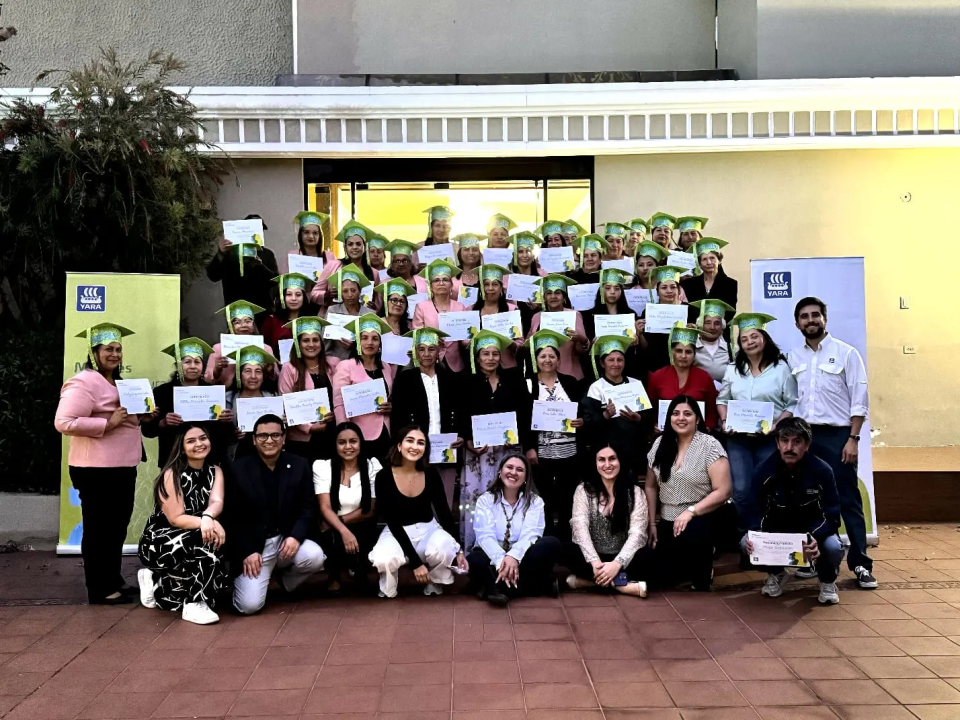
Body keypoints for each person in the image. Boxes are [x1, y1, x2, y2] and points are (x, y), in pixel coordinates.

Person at [55, 323, 149, 605]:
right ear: (93, 351)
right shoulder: (83, 381)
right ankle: (100, 589)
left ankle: (113, 579)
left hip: (122, 467)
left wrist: (143, 414)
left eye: (118, 349)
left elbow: (127, 418)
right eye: (108, 349)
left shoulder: (119, 383)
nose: (115, 354)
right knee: (99, 530)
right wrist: (107, 424)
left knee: (116, 526)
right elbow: (64, 422)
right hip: (95, 470)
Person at [788, 297, 875, 589]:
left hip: (838, 436)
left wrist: (853, 438)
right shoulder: (793, 357)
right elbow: (789, 399)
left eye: (815, 315)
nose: (810, 320)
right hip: (804, 437)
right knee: (806, 499)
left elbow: (859, 400)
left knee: (847, 499)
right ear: (797, 323)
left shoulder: (847, 354)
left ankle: (861, 564)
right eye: (804, 316)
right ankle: (812, 561)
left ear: (825, 319)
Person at [227, 414, 325, 614]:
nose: (269, 440)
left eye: (274, 435)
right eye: (262, 436)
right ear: (254, 440)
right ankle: (249, 582)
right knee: (248, 606)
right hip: (255, 548)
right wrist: (246, 551)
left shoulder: (299, 464)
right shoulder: (237, 469)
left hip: (285, 541)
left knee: (315, 556)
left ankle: (284, 581)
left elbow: (308, 508)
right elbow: (230, 516)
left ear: (284, 438)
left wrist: (296, 537)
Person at [741, 417, 844, 604]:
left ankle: (828, 581)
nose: (790, 447)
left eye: (797, 441)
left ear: (807, 445)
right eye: (784, 440)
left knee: (833, 546)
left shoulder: (823, 470)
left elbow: (833, 515)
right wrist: (755, 533)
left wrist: (817, 536)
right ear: (777, 443)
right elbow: (752, 508)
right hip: (777, 529)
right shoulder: (763, 470)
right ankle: (777, 574)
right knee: (745, 543)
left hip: (811, 531)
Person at [137, 425, 227, 624]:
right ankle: (194, 604)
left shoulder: (215, 470)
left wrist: (208, 518)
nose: (199, 444)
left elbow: (216, 502)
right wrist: (207, 523)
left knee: (205, 557)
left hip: (199, 532)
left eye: (203, 438)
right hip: (162, 539)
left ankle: (156, 582)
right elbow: (176, 518)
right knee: (208, 550)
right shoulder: (172, 473)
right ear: (181, 446)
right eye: (191, 441)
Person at [370, 426, 468, 597]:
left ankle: (435, 582)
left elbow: (444, 513)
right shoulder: (383, 477)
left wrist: (458, 549)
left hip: (428, 530)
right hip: (396, 531)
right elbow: (392, 521)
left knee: (444, 547)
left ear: (425, 449)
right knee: (383, 558)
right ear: (399, 446)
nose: (415, 447)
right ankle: (389, 587)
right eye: (410, 440)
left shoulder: (430, 474)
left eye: (420, 443)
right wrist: (416, 563)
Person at [645, 396, 732, 590]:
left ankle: (703, 564)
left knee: (699, 583)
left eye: (687, 413)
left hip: (701, 516)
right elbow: (650, 486)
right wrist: (652, 523)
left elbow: (724, 490)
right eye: (675, 413)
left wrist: (690, 511)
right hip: (668, 519)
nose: (681, 418)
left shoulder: (709, 445)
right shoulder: (660, 444)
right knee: (659, 579)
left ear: (697, 419)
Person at [717, 313, 799, 514]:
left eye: (754, 336)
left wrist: (777, 425)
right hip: (738, 440)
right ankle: (746, 537)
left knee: (768, 486)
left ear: (764, 338)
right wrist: (725, 420)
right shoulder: (733, 369)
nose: (749, 342)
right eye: (744, 339)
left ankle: (767, 535)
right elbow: (722, 400)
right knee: (742, 490)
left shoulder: (781, 369)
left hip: (769, 439)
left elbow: (791, 403)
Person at [460, 330, 533, 549]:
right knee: (477, 500)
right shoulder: (467, 380)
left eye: (494, 354)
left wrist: (520, 439)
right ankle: (476, 548)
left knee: (507, 496)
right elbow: (461, 413)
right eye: (485, 354)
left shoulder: (513, 378)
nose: (490, 358)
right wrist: (468, 440)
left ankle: (510, 546)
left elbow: (524, 412)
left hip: (507, 451)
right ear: (477, 356)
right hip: (478, 453)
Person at [468, 454, 562, 606]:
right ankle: (536, 587)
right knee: (474, 560)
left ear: (526, 477)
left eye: (520, 470)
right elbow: (485, 536)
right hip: (494, 554)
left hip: (523, 556)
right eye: (509, 467)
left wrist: (513, 557)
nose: (513, 472)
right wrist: (501, 562)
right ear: (500, 472)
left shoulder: (535, 501)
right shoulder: (485, 500)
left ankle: (495, 589)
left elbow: (531, 534)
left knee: (551, 544)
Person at [562, 444, 649, 597]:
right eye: (601, 460)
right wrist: (595, 562)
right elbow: (579, 527)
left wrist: (617, 564)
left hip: (623, 559)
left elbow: (638, 533)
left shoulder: (635, 492)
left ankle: (585, 582)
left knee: (649, 555)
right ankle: (622, 586)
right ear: (595, 463)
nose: (607, 465)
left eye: (612, 459)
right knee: (565, 549)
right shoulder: (583, 490)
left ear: (620, 461)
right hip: (592, 561)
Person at [390, 326, 463, 506]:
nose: (427, 354)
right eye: (421, 349)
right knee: (417, 499)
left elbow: (461, 410)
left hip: (446, 448)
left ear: (438, 351)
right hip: (416, 448)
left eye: (431, 349)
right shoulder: (404, 379)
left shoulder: (450, 378)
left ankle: (444, 532)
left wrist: (461, 434)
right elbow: (397, 416)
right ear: (415, 352)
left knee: (444, 499)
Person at [523, 329, 585, 538]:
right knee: (545, 500)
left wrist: (581, 421)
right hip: (542, 454)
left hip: (569, 452)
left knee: (568, 498)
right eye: (543, 356)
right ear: (536, 359)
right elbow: (523, 419)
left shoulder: (570, 382)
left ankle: (568, 541)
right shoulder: (528, 384)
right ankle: (548, 539)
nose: (547, 360)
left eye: (552, 356)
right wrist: (530, 447)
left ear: (558, 360)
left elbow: (582, 410)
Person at [142, 338, 231, 468]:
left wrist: (225, 420)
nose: (193, 366)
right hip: (173, 460)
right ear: (178, 365)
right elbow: (147, 431)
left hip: (207, 461)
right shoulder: (162, 392)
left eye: (197, 362)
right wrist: (163, 423)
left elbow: (223, 434)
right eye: (187, 362)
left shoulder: (213, 392)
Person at [314, 422, 381, 592]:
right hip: (332, 529)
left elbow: (371, 509)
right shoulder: (323, 467)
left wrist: (342, 522)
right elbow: (325, 508)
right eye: (342, 442)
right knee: (329, 531)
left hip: (361, 525)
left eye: (353, 441)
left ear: (361, 443)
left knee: (362, 532)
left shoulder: (372, 466)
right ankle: (334, 573)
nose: (348, 447)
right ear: (335, 445)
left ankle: (358, 569)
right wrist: (343, 530)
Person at [580, 335, 650, 479]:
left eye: (620, 360)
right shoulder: (596, 388)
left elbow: (648, 417)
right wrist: (605, 415)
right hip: (606, 449)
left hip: (633, 449)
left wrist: (638, 418)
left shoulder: (635, 384)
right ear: (602, 363)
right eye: (611, 360)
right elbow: (588, 424)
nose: (616, 364)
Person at [332, 313, 396, 460]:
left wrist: (390, 406)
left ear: (380, 344)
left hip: (385, 433)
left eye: (375, 338)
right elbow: (339, 403)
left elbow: (389, 396)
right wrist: (345, 433)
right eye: (364, 338)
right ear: (357, 342)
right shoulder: (346, 366)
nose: (370, 342)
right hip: (358, 435)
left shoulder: (386, 367)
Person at [277, 316, 337, 462]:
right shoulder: (289, 369)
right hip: (302, 441)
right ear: (298, 344)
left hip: (333, 435)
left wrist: (335, 413)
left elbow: (342, 396)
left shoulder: (333, 364)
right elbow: (287, 404)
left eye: (315, 340)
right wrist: (309, 428)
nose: (311, 344)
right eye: (305, 340)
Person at [647, 325, 720, 430]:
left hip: (697, 436)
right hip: (665, 435)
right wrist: (653, 425)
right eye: (679, 351)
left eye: (688, 352)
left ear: (695, 354)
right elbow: (651, 409)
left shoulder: (704, 377)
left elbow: (712, 410)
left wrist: (707, 426)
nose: (683, 356)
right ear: (672, 352)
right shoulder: (658, 376)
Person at [206, 213, 279, 311]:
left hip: (262, 311)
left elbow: (274, 281)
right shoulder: (230, 254)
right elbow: (213, 275)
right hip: (237, 312)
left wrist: (260, 266)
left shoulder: (267, 254)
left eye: (259, 230)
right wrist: (220, 254)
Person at [637, 266, 699, 374]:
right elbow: (645, 347)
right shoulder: (648, 312)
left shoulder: (691, 311)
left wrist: (695, 333)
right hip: (655, 367)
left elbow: (699, 345)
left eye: (673, 287)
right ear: (657, 292)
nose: (669, 291)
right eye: (664, 287)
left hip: (684, 367)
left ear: (679, 290)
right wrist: (639, 334)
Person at [526, 274, 589, 380]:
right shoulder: (537, 317)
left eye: (557, 293)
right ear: (544, 297)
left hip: (570, 374)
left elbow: (581, 351)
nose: (553, 296)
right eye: (549, 293)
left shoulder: (574, 315)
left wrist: (582, 340)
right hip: (543, 374)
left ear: (564, 297)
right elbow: (528, 345)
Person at [224, 345, 279, 461]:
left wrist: (282, 423)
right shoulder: (226, 401)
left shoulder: (273, 399)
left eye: (258, 371)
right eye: (248, 371)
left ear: (263, 376)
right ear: (240, 375)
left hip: (269, 457)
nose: (253, 376)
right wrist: (232, 434)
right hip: (238, 456)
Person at [413, 259, 468, 373]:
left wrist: (472, 339)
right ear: (431, 286)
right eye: (436, 280)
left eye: (445, 280)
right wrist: (432, 339)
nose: (441, 283)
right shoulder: (421, 307)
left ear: (451, 285)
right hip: (430, 361)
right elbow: (416, 335)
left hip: (456, 363)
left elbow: (464, 339)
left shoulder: (460, 307)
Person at [312, 221, 381, 308]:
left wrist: (374, 307)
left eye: (358, 244)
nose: (354, 247)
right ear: (345, 248)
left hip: (361, 319)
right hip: (334, 317)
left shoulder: (374, 273)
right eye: (350, 244)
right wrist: (327, 295)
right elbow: (314, 294)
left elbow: (379, 303)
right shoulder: (333, 266)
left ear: (364, 247)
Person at [681, 238, 738, 333]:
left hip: (720, 332)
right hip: (695, 331)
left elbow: (730, 310)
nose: (709, 263)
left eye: (712, 258)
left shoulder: (730, 284)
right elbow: (687, 308)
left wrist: (714, 326)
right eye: (704, 259)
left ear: (719, 261)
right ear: (699, 263)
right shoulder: (689, 284)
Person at [205, 300, 267, 387]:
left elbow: (276, 377)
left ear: (254, 325)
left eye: (248, 321)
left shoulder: (265, 349)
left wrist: (269, 370)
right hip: (227, 394)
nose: (243, 325)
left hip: (257, 394)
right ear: (231, 326)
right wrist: (217, 370)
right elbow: (207, 379)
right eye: (237, 322)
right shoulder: (219, 349)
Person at [471, 263, 522, 369]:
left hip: (507, 367)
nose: (490, 288)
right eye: (486, 284)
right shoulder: (471, 311)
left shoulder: (511, 310)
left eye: (495, 284)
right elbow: (464, 341)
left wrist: (512, 344)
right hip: (480, 367)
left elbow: (520, 341)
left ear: (500, 289)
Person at [323, 263, 373, 366]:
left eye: (353, 290)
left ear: (360, 291)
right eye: (345, 291)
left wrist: (356, 344)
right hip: (336, 363)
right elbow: (325, 343)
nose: (350, 295)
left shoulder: (369, 314)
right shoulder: (333, 311)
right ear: (340, 293)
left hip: (363, 365)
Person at [261, 272, 320, 357]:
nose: (293, 298)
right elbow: (265, 348)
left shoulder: (311, 321)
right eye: (289, 294)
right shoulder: (271, 321)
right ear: (283, 297)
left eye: (298, 295)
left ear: (304, 297)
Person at [690, 299, 735, 384]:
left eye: (717, 323)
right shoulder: (691, 348)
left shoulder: (732, 350)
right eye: (707, 323)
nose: (712, 327)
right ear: (700, 325)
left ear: (722, 328)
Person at [452, 233, 483, 305]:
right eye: (466, 249)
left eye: (475, 249)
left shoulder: (485, 274)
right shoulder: (451, 275)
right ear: (460, 253)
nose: (471, 253)